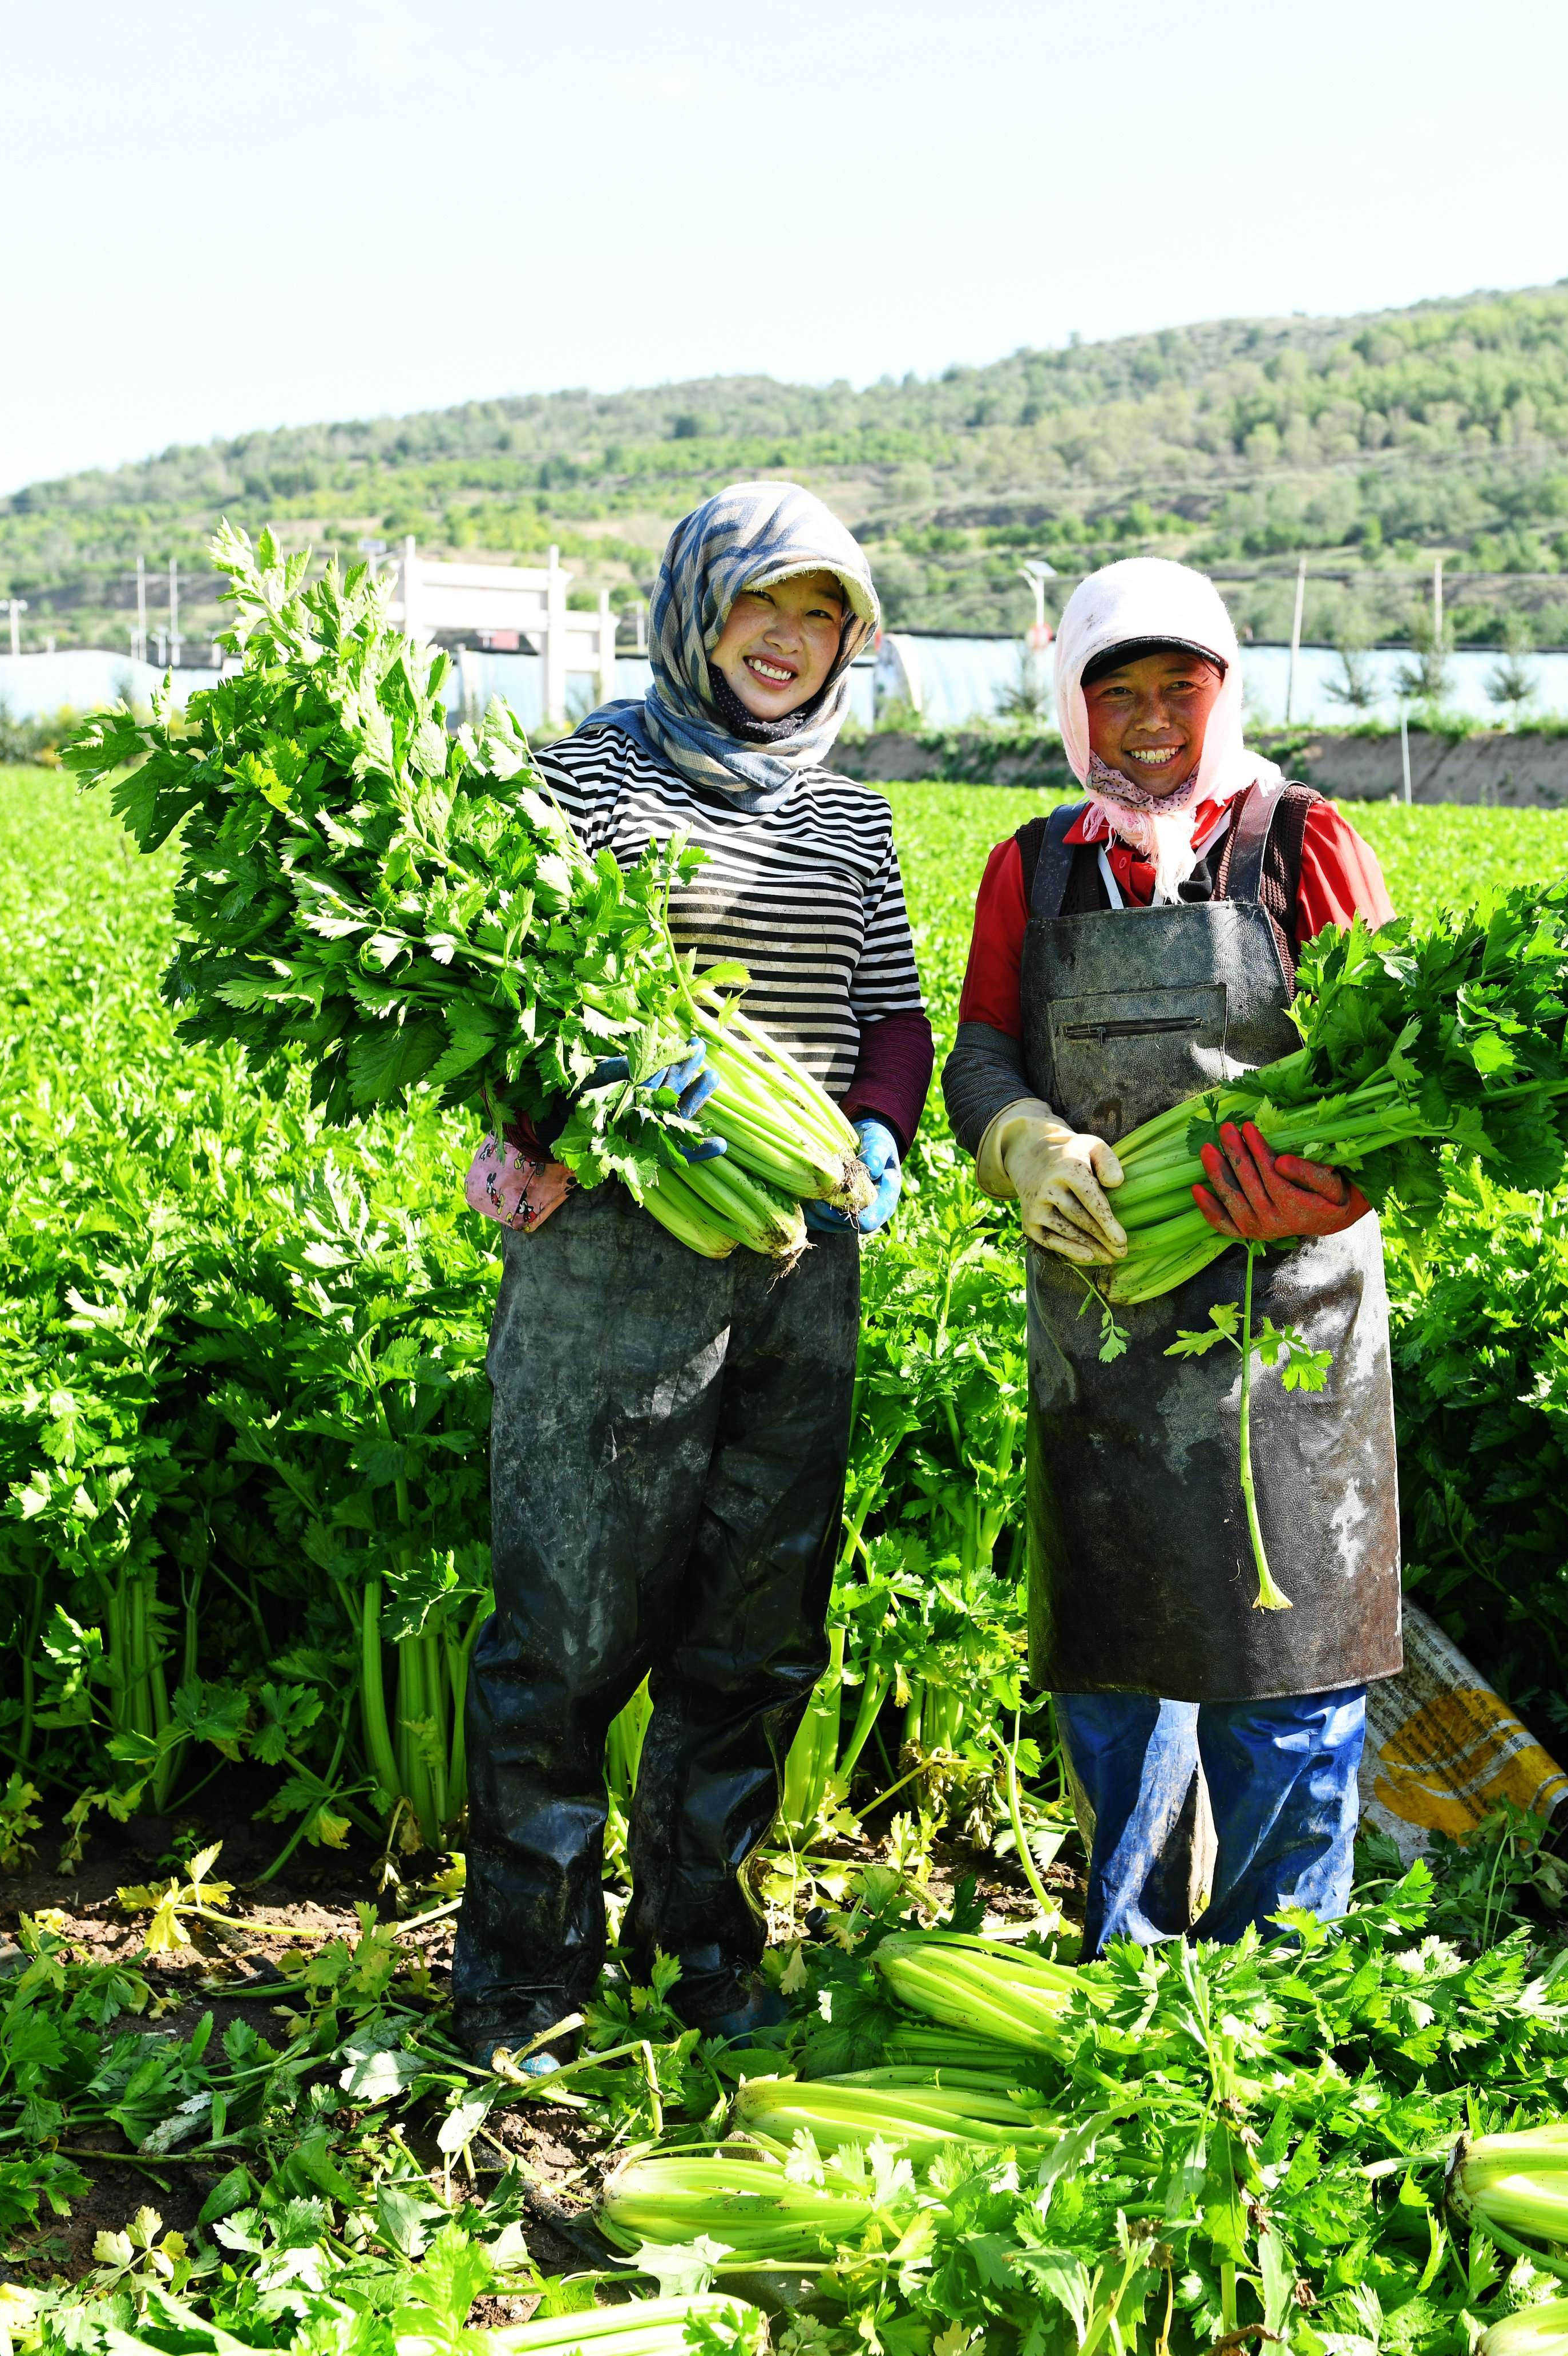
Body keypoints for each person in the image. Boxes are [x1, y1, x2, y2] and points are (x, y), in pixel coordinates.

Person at [452, 482, 928, 2069]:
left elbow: (892, 1013)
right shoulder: (587, 776)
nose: (786, 645)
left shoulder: (851, 814)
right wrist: (546, 1123)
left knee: (756, 1621)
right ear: (692, 609)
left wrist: (879, 1132)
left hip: (800, 1255)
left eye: (820, 619)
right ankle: (527, 1977)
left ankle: (700, 1950)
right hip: (618, 1248)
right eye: (758, 609)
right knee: (570, 1621)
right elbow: (518, 988)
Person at [941, 556, 1403, 1954]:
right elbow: (981, 1049)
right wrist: (1020, 1138)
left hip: (1295, 1322)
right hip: (1105, 1315)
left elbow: (1396, 1072)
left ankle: (1276, 1977)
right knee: (1118, 1658)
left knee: (1292, 1669)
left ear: (1226, 692)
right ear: (1076, 709)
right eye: (1117, 693)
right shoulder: (1034, 865)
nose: (1149, 719)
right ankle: (1129, 1963)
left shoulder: (1302, 840)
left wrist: (1315, 1190)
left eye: (1177, 690)